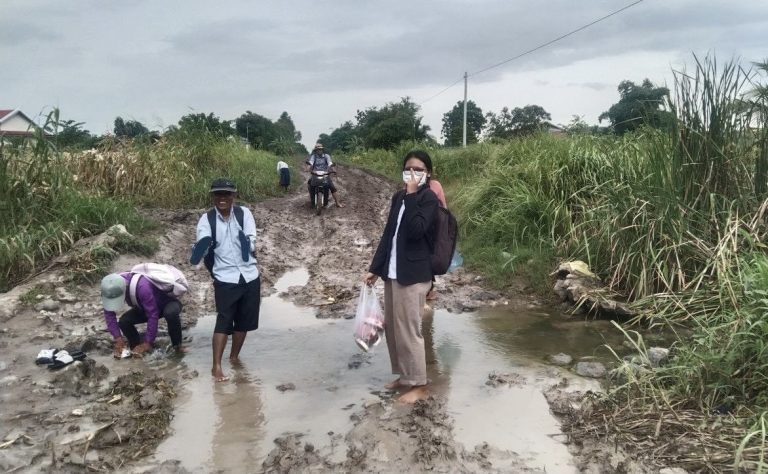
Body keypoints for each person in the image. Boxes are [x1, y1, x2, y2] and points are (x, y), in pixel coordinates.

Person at [364, 149, 439, 403]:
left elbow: (417, 230)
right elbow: (389, 235)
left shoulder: (428, 199)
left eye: (419, 169)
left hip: (415, 275)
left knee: (409, 330)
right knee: (394, 329)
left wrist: (411, 195)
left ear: (428, 173)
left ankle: (419, 384)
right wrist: (375, 268)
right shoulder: (398, 198)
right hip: (393, 272)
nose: (413, 173)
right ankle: (404, 376)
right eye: (409, 168)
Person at [195, 178, 261, 382]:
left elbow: (251, 241)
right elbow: (203, 245)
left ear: (234, 195)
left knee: (244, 321)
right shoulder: (207, 220)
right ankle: (216, 367)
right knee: (224, 321)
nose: (222, 198)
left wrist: (245, 242)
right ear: (213, 197)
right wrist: (203, 247)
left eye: (226, 194)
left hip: (249, 275)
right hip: (225, 277)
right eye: (218, 194)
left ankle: (234, 357)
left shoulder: (244, 214)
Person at [101, 269, 184, 359]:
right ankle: (135, 347)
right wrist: (117, 338)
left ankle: (178, 347)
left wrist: (147, 343)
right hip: (145, 307)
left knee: (170, 313)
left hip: (168, 303)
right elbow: (109, 313)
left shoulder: (142, 287)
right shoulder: (109, 289)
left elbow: (152, 315)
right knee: (124, 322)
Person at [304, 143, 344, 208]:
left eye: (320, 149)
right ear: (315, 150)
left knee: (332, 187)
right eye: (317, 149)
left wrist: (334, 170)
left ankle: (337, 203)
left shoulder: (326, 156)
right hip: (315, 174)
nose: (319, 150)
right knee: (310, 185)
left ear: (322, 150)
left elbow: (330, 163)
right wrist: (307, 168)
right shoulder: (313, 156)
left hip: (325, 174)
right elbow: (310, 163)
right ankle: (312, 201)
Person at [426, 178, 447, 301]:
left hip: (433, 229)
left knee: (428, 257)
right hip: (426, 229)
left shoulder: (436, 185)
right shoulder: (435, 185)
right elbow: (444, 208)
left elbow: (443, 208)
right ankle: (428, 290)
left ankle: (428, 289)